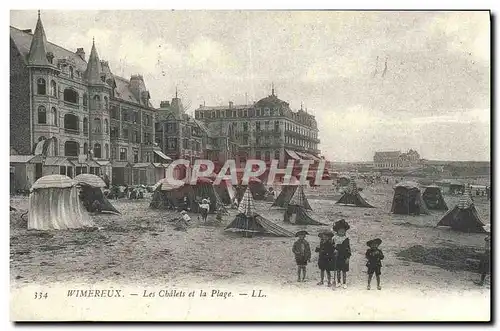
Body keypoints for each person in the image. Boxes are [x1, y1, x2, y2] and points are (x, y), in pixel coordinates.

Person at [333, 219, 351, 289]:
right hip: (337, 257)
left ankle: (344, 283)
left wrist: (348, 258)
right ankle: (338, 282)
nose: (342, 232)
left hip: (344, 257)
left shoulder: (346, 239)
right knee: (338, 270)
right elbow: (332, 246)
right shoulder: (335, 238)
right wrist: (334, 250)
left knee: (344, 271)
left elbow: (348, 249)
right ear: (337, 231)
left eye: (343, 231)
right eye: (340, 231)